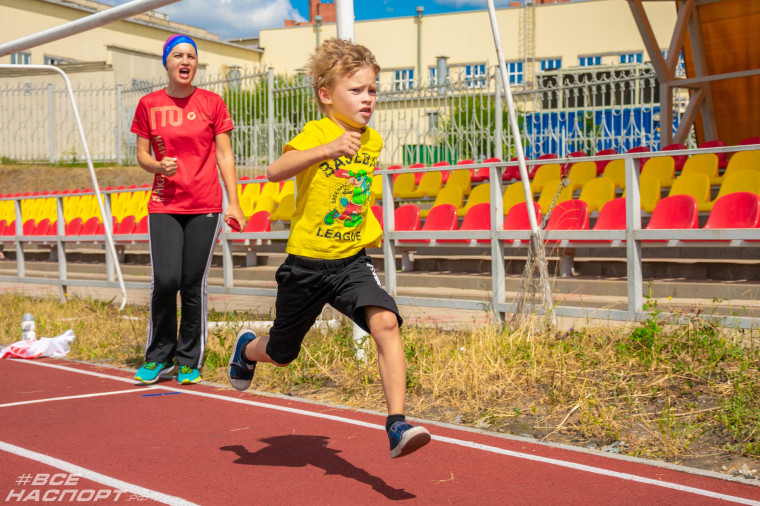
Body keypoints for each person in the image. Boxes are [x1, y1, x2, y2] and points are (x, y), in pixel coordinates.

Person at [227, 38, 430, 458]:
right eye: (356, 90)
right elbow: (274, 171)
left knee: (386, 322)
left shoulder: (371, 140)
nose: (368, 98)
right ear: (326, 95)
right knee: (282, 354)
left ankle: (397, 425)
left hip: (350, 262)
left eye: (372, 89)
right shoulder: (317, 132)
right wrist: (327, 149)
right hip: (306, 264)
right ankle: (247, 348)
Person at [130, 34, 245, 385]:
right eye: (178, 55)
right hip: (164, 204)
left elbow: (224, 155)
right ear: (166, 62)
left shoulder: (212, 103)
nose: (185, 61)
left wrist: (235, 202)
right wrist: (156, 167)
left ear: (196, 64)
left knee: (192, 284)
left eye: (191, 56)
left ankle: (188, 359)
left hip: (205, 205)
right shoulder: (149, 104)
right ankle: (158, 356)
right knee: (166, 281)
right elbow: (141, 154)